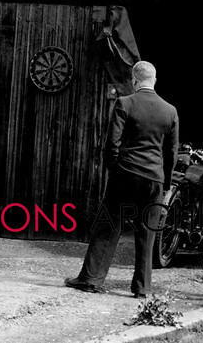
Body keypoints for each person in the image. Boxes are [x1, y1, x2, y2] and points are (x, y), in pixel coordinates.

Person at [65, 61, 179, 298]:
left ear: (134, 80)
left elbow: (111, 144)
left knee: (108, 227)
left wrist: (114, 169)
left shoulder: (125, 103)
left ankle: (91, 279)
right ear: (154, 80)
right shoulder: (170, 110)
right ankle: (142, 288)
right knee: (147, 233)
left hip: (125, 174)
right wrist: (165, 183)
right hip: (154, 179)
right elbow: (171, 153)